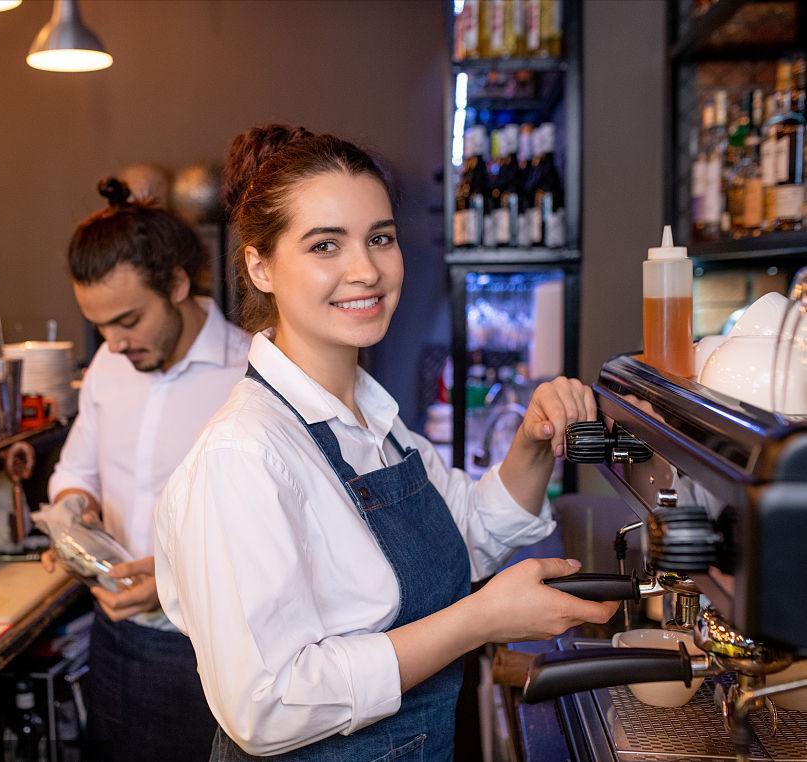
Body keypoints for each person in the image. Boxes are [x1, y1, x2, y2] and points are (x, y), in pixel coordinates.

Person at [153, 125, 619, 761]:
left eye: (380, 238)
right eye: (325, 245)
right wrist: (481, 620)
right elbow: (265, 705)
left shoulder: (377, 424)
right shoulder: (243, 455)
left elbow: (469, 533)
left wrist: (535, 439)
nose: (366, 271)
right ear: (260, 267)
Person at [43, 178, 251, 761]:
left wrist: (177, 584)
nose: (112, 343)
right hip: (111, 638)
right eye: (99, 325)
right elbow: (76, 470)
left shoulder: (251, 374)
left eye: (128, 319)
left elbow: (283, 536)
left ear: (178, 284)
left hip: (206, 652)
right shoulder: (108, 369)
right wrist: (72, 514)